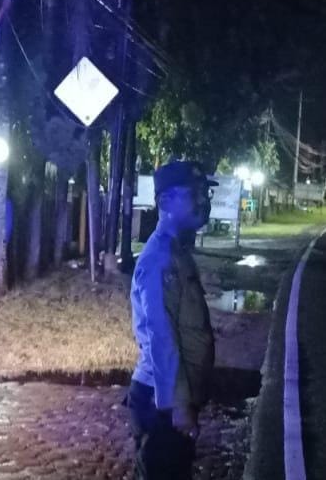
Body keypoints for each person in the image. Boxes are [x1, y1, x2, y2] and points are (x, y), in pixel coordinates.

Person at [127, 161, 217, 479]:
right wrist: (178, 405)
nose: (204, 200)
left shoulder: (176, 251)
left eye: (205, 193)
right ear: (165, 201)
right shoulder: (160, 258)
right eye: (194, 193)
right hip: (160, 400)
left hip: (167, 397)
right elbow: (161, 334)